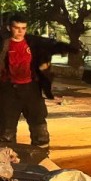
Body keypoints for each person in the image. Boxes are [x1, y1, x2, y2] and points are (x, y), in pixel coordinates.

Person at [0, 13, 72, 151]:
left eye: (24, 28)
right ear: (9, 28)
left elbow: (49, 52)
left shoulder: (33, 43)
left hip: (31, 89)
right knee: (6, 131)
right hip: (9, 90)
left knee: (39, 128)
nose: (20, 31)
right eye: (17, 28)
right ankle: (6, 163)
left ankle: (42, 157)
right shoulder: (3, 44)